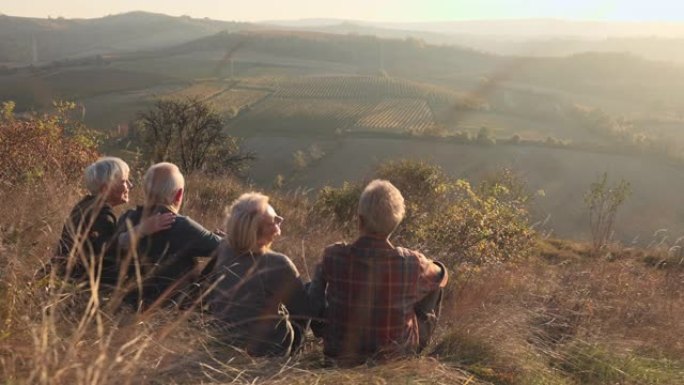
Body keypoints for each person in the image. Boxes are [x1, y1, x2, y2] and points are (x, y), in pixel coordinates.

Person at [308, 179, 448, 365]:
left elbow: (313, 300)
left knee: (312, 286)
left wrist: (321, 328)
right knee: (435, 285)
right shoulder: (412, 262)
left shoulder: (333, 255)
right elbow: (442, 276)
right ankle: (416, 351)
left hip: (338, 356)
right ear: (395, 223)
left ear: (360, 220)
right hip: (394, 359)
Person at [207, 192, 310, 357]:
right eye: (275, 221)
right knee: (306, 294)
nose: (280, 222)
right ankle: (296, 353)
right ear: (260, 235)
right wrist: (321, 281)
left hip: (225, 343)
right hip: (271, 351)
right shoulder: (278, 263)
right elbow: (305, 310)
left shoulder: (223, 249)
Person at [53, 157, 174, 291]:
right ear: (106, 188)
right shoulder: (101, 213)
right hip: (78, 286)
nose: (130, 185)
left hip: (63, 279)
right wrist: (142, 230)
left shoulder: (85, 205)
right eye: (124, 181)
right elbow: (107, 251)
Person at [117, 162, 221, 308]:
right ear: (178, 194)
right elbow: (227, 247)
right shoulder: (181, 225)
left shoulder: (127, 218)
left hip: (129, 303)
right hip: (172, 307)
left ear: (146, 190)